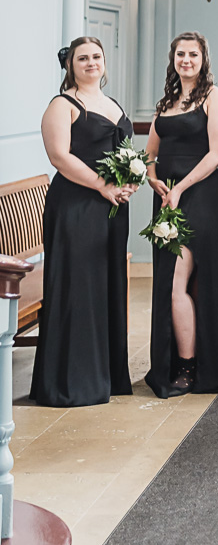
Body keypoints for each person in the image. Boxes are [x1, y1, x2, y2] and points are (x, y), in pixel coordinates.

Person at [30, 37, 137, 407]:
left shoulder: (112, 103)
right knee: (79, 289)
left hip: (111, 209)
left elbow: (125, 155)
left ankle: (105, 375)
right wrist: (102, 186)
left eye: (96, 57)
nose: (91, 63)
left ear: (105, 62)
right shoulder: (62, 104)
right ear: (70, 65)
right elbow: (60, 156)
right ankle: (72, 382)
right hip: (77, 206)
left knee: (105, 287)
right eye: (83, 58)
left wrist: (128, 183)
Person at [144, 32, 218, 397]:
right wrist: (153, 179)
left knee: (182, 280)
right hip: (167, 197)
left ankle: (190, 366)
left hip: (201, 194)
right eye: (180, 54)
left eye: (193, 54)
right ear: (174, 59)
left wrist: (181, 187)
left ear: (203, 59)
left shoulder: (216, 97)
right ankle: (181, 360)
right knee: (171, 279)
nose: (186, 60)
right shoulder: (166, 101)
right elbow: (151, 151)